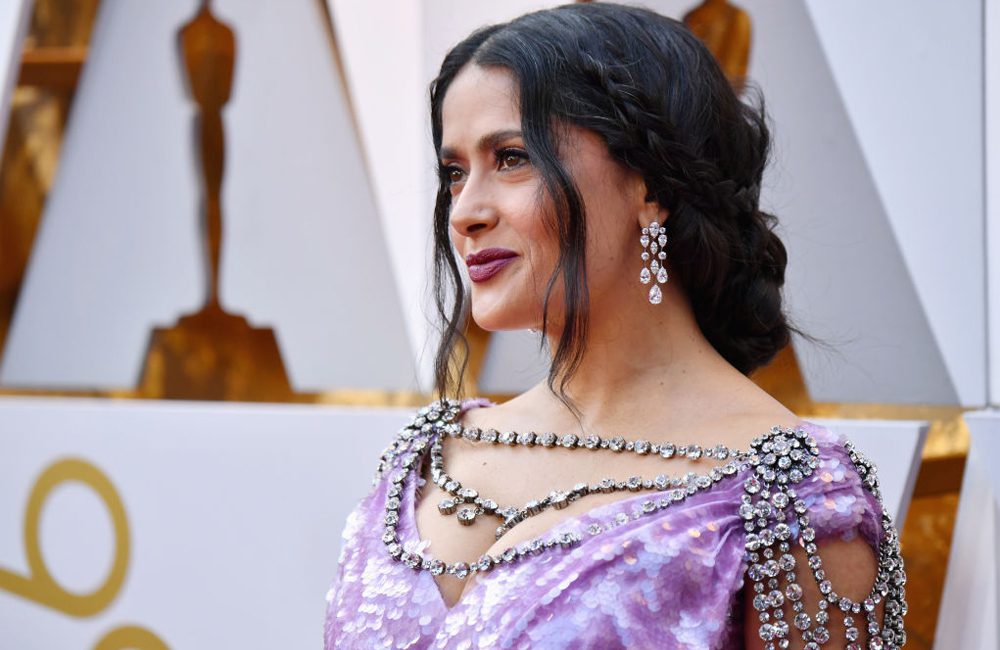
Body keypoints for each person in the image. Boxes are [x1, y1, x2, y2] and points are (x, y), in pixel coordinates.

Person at [324, 3, 907, 648]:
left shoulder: (787, 494)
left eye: (513, 157)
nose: (465, 212)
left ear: (650, 185)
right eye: (455, 173)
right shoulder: (426, 458)